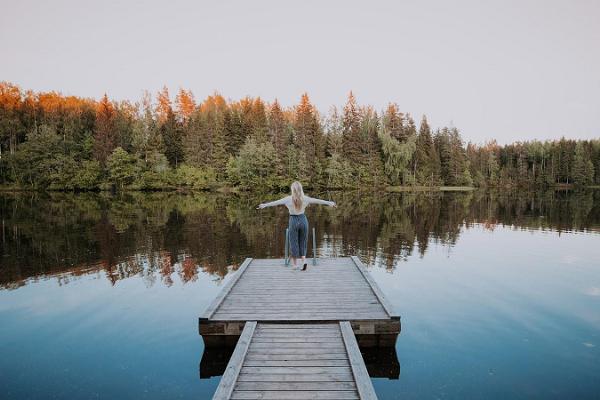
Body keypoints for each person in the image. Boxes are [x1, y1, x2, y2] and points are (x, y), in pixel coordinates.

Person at [257, 181, 336, 270]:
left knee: (293, 242)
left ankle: (295, 265)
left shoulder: (287, 199)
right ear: (301, 189)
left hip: (293, 221)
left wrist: (264, 205)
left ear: (292, 189)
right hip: (303, 220)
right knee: (303, 241)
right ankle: (304, 261)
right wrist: (330, 203)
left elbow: (276, 202)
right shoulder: (305, 198)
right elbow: (318, 201)